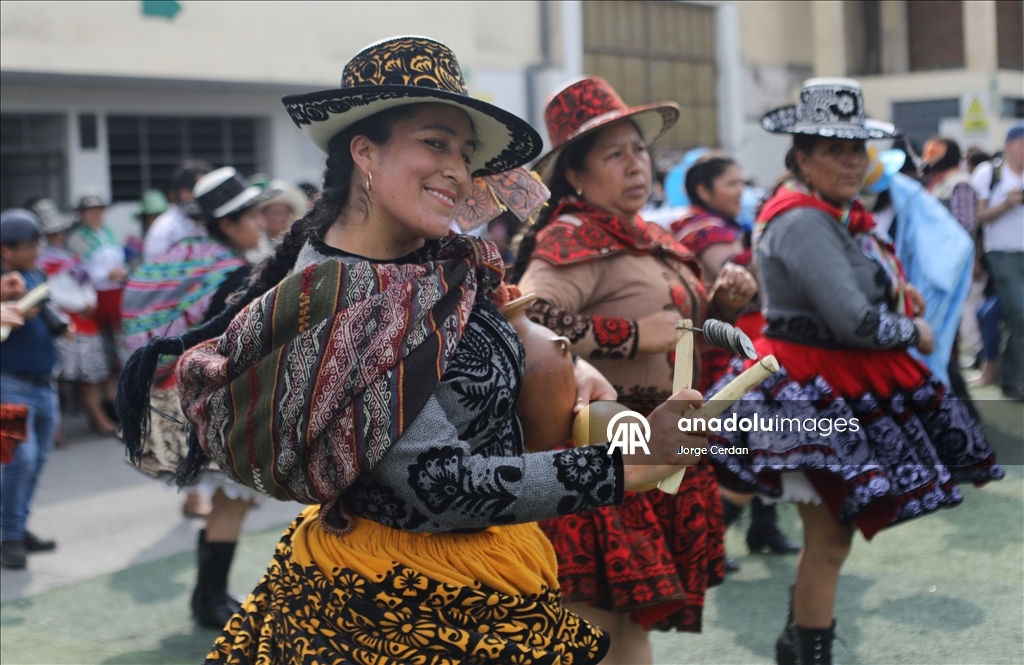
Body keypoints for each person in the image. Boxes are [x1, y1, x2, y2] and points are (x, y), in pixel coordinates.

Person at [117, 37, 705, 663]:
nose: (458, 169)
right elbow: (440, 484)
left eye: (465, 152)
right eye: (435, 142)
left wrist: (571, 367)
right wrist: (622, 468)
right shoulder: (339, 302)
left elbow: (494, 336)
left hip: (492, 570)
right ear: (364, 151)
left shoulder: (437, 262)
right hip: (397, 604)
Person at [709, 78, 1004, 665]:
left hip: (831, 380)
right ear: (802, 158)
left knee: (831, 534)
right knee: (830, 534)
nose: (851, 161)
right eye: (834, 149)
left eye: (856, 149)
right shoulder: (802, 220)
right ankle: (804, 647)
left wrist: (897, 303)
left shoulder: (836, 216)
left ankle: (800, 639)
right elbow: (851, 320)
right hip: (811, 384)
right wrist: (912, 332)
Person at [511, 77, 757, 664]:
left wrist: (721, 307)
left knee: (629, 628)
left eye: (639, 150)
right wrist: (628, 335)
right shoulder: (569, 238)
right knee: (591, 628)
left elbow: (681, 328)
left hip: (657, 441)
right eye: (613, 154)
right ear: (575, 173)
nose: (634, 164)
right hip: (600, 447)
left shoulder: (651, 236)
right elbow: (528, 322)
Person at [121, 166, 267, 628]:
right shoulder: (231, 274)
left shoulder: (188, 258)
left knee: (227, 500)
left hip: (182, 396)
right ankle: (210, 600)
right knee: (233, 501)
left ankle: (210, 596)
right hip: (219, 403)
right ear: (227, 223)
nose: (260, 225)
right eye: (253, 217)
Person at [670, 153, 800, 571]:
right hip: (724, 352)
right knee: (735, 445)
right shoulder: (703, 229)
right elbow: (743, 278)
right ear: (703, 190)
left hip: (738, 346)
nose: (740, 192)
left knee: (764, 438)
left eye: (741, 184)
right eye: (731, 184)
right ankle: (705, 545)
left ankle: (762, 527)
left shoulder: (714, 225)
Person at [0, 209, 59, 569]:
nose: (35, 251)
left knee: (35, 460)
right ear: (5, 250)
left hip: (44, 384)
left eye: (37, 244)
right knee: (18, 459)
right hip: (8, 384)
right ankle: (8, 535)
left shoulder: (36, 274)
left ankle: (17, 527)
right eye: (27, 246)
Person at [33, 199, 115, 437]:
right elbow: (51, 293)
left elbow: (86, 282)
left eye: (60, 231)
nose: (58, 235)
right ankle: (54, 429)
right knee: (58, 377)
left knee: (90, 376)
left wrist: (90, 301)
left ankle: (98, 419)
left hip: (85, 319)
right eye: (52, 232)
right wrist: (79, 304)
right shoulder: (41, 263)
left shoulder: (73, 256)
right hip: (62, 320)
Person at [972, 124, 1024, 400]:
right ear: (1010, 146)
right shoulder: (989, 173)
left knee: (1014, 316)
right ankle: (1012, 378)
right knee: (1020, 313)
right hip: (1002, 253)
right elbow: (977, 217)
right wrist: (1007, 204)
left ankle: (1006, 374)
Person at [66, 194, 125, 425]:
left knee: (116, 351)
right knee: (100, 351)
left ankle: (113, 400)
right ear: (81, 214)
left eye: (99, 210)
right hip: (94, 298)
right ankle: (103, 405)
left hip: (115, 296)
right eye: (90, 211)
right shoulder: (77, 239)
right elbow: (78, 272)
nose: (95, 215)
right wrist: (106, 274)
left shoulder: (108, 233)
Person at [142, 161, 213, 261]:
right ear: (184, 193)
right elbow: (153, 265)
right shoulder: (166, 228)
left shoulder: (211, 221)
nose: (210, 196)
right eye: (204, 189)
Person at [922, 136, 976, 234]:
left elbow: (963, 226)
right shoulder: (937, 182)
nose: (926, 159)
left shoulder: (960, 183)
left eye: (932, 152)